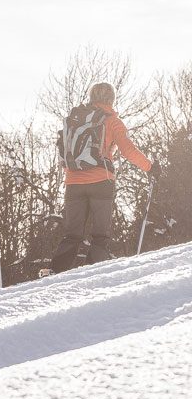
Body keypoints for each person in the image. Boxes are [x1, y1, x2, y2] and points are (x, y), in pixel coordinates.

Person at [48, 82, 155, 274]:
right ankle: (93, 274)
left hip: (73, 182)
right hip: (101, 181)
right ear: (111, 99)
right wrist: (150, 167)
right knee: (100, 234)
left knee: (72, 234)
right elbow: (129, 151)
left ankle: (55, 272)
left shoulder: (75, 119)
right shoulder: (111, 121)